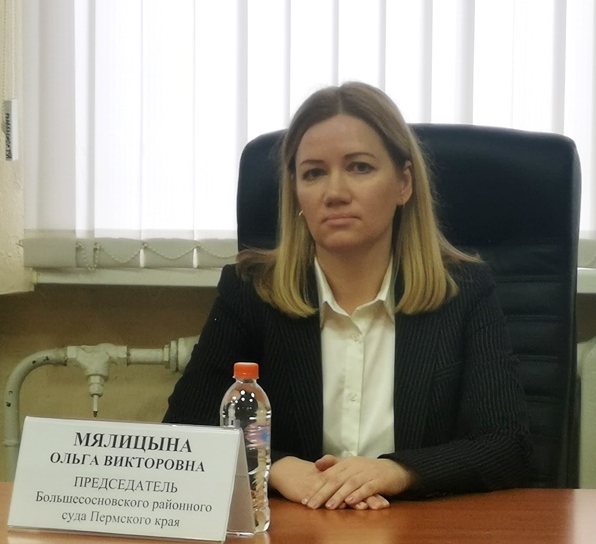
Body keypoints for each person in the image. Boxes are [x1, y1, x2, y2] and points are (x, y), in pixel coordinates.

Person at [164, 82, 531, 510]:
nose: (335, 192)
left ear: (403, 183)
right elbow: (185, 427)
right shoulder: (251, 291)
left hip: (417, 531)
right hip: (293, 531)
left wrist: (397, 471)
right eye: (314, 173)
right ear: (296, 193)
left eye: (359, 167)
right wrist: (275, 466)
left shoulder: (464, 292)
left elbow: (507, 446)